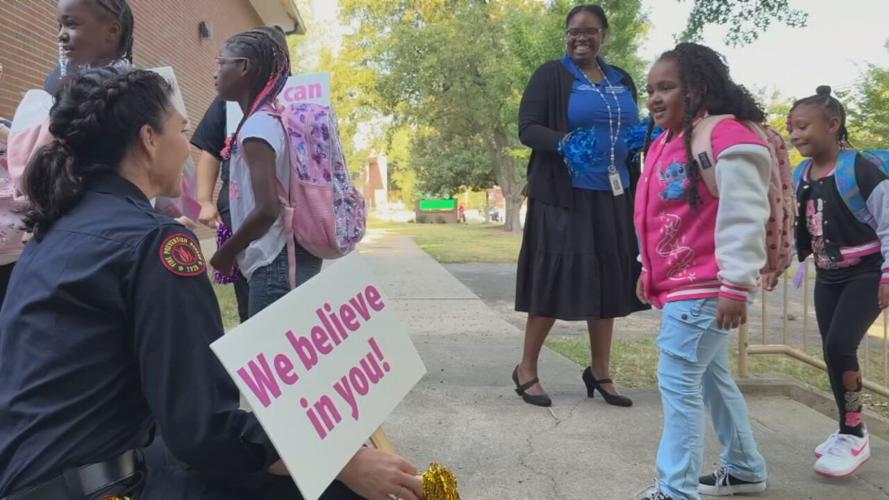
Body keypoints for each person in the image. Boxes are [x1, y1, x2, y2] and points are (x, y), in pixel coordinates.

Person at [0, 67, 425, 500]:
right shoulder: (155, 243)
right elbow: (202, 429)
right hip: (102, 485)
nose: (188, 147)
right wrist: (341, 459)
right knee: (339, 488)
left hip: (34, 475)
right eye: (181, 131)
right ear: (149, 140)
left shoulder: (55, 227)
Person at [634, 43, 769, 499]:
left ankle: (676, 490)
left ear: (697, 89)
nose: (654, 98)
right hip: (685, 286)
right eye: (651, 89)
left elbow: (744, 213)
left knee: (677, 383)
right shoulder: (665, 143)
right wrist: (646, 267)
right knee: (711, 377)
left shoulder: (727, 137)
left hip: (709, 286)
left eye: (666, 87)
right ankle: (746, 467)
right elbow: (653, 217)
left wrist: (736, 284)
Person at [513, 4, 646, 408]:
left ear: (604, 34)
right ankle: (526, 369)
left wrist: (642, 139)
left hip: (614, 193)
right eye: (573, 31)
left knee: (607, 278)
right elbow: (528, 128)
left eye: (589, 31)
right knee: (554, 277)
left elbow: (633, 128)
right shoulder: (550, 75)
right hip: (563, 196)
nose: (579, 38)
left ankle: (600, 371)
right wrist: (564, 142)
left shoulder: (622, 79)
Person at [788, 86, 886, 477]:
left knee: (841, 344)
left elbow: (888, 222)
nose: (795, 135)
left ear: (833, 125)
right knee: (833, 351)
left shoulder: (859, 169)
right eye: (791, 127)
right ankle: (846, 427)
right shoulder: (801, 173)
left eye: (803, 126)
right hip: (828, 275)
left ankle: (854, 433)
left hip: (865, 273)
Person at [210, 27, 322, 317]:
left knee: (274, 355)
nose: (216, 72)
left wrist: (226, 253)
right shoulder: (270, 119)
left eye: (222, 63)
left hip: (276, 262)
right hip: (284, 258)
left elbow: (267, 209)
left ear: (244, 67)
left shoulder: (258, 128)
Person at [191, 97, 251, 323]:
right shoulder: (229, 100)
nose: (219, 73)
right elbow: (210, 150)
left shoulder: (296, 93)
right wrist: (204, 200)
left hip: (293, 213)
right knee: (249, 302)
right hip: (238, 210)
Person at [47, 0, 134, 94]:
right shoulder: (59, 77)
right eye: (60, 26)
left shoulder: (133, 89)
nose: (60, 35)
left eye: (71, 23)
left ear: (112, 31)